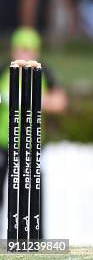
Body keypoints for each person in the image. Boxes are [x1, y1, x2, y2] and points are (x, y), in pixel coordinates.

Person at [0, 28, 68, 227]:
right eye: (20, 49)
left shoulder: (43, 72)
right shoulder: (5, 71)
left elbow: (60, 102)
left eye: (28, 50)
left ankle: (35, 240)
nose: (24, 54)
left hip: (32, 143)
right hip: (5, 143)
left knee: (32, 194)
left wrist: (33, 99)